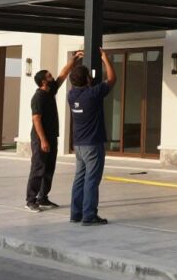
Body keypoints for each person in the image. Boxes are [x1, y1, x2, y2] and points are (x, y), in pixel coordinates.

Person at [25, 50, 83, 212]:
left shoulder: (50, 92)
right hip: (40, 138)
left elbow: (63, 75)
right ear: (43, 81)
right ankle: (31, 200)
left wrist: (74, 59)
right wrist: (43, 140)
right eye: (49, 76)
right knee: (38, 168)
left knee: (49, 168)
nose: (52, 78)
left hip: (51, 136)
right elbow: (36, 120)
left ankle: (43, 198)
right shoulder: (38, 98)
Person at [67, 49, 116, 226]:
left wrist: (72, 63)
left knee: (79, 178)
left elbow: (76, 81)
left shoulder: (71, 95)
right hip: (92, 145)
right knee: (92, 180)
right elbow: (111, 80)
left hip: (79, 145)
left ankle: (76, 213)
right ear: (88, 79)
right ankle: (89, 215)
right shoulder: (92, 94)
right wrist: (105, 59)